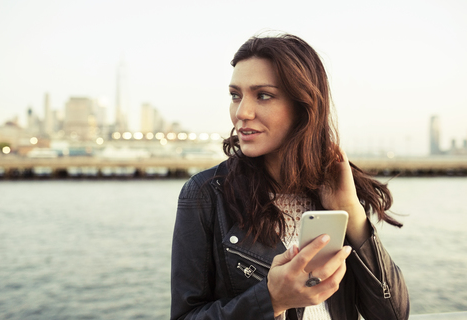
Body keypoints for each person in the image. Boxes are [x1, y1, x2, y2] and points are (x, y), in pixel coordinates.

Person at [171, 33, 409, 320]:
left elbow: (393, 315)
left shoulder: (336, 190)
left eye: (263, 95)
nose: (241, 112)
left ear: (303, 106)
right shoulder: (206, 193)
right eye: (236, 95)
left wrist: (349, 209)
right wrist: (270, 300)